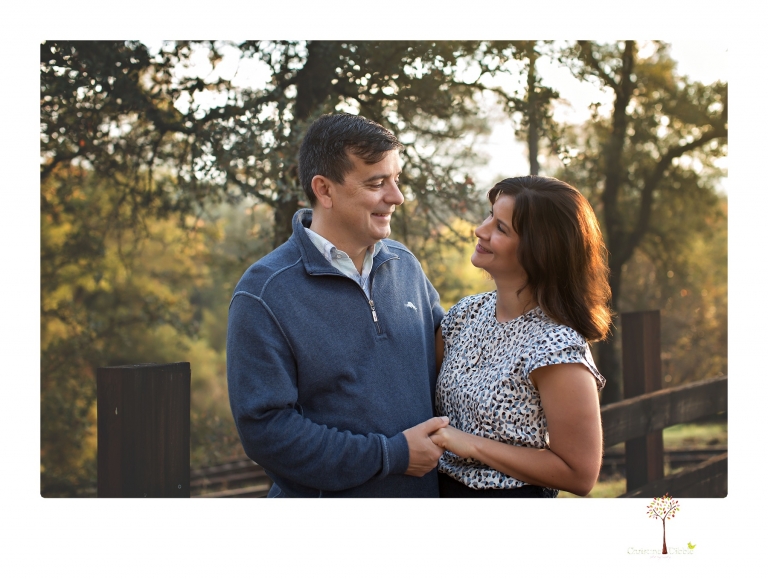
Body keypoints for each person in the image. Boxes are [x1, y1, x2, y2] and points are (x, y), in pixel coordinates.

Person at [226, 113, 448, 497]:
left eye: (396, 180)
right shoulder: (264, 293)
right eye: (377, 183)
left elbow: (451, 366)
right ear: (324, 190)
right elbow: (267, 432)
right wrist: (390, 455)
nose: (396, 197)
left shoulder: (405, 264)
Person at [429, 175, 612, 497]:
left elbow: (579, 474)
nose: (480, 230)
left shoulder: (556, 349)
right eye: (490, 216)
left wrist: (470, 444)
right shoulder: (465, 315)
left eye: (501, 228)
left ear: (540, 251)